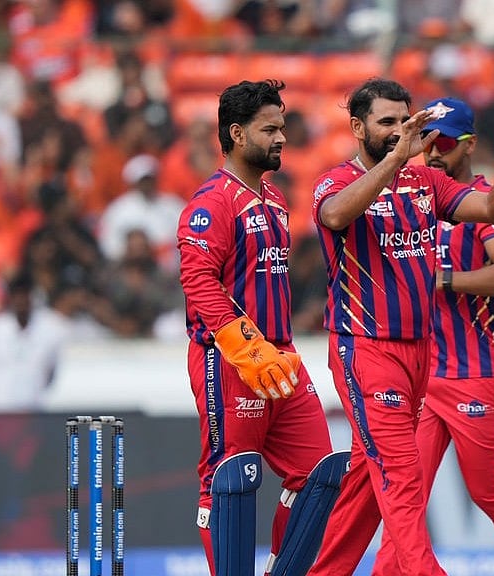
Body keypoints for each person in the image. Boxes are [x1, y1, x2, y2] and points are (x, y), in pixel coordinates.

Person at [307, 79, 494, 576]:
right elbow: (336, 215)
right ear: (357, 127)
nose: (399, 131)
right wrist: (394, 161)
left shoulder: (425, 183)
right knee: (404, 474)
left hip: (420, 352)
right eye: (387, 122)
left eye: (405, 120)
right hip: (365, 348)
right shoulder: (335, 181)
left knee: (369, 478)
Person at [370, 96, 494, 576]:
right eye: (427, 143)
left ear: (470, 144)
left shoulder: (485, 200)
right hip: (422, 375)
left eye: (446, 143)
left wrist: (444, 278)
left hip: (478, 370)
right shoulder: (411, 201)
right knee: (405, 493)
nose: (434, 153)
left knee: (488, 490)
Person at [176, 79, 344, 576]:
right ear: (236, 132)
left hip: (282, 357)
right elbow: (198, 282)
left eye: (283, 126)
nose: (281, 138)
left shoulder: (272, 198)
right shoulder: (213, 202)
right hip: (229, 361)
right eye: (269, 128)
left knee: (321, 473)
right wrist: (247, 348)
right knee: (231, 480)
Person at [0, 272, 69, 411]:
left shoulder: (50, 329)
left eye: (25, 294)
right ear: (10, 297)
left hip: (33, 413)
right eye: (17, 295)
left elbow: (51, 373)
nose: (21, 300)